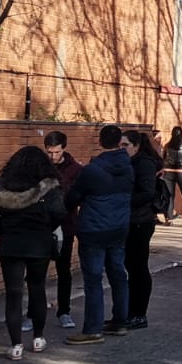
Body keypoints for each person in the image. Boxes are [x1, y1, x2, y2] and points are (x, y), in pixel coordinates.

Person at [0, 145, 64, 359]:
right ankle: (38, 337)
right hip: (39, 244)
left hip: (10, 244)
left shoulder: (1, 188)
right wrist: (45, 228)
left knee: (13, 293)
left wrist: (3, 231)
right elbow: (59, 213)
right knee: (37, 289)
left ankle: (16, 344)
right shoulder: (48, 188)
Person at [64, 124, 133, 344]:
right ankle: (120, 321)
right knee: (118, 274)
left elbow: (72, 197)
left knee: (93, 280)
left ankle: (93, 329)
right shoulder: (128, 167)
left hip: (94, 228)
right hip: (119, 226)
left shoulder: (92, 170)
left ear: (100, 141)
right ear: (120, 143)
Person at [44, 132, 84, 328]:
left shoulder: (75, 169)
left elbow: (76, 196)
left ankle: (64, 311)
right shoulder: (40, 166)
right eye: (49, 152)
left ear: (64, 149)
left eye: (56, 152)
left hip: (65, 224)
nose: (53, 156)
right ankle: (34, 313)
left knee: (63, 270)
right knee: (37, 271)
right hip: (42, 226)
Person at [124, 129, 162, 329]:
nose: (122, 149)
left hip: (141, 221)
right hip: (131, 220)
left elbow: (147, 193)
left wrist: (123, 201)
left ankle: (139, 314)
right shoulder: (132, 162)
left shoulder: (144, 163)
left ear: (136, 146)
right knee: (131, 267)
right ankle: (131, 311)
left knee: (138, 268)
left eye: (125, 145)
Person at [162, 126, 182, 225]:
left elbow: (163, 158)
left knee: (170, 196)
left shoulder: (167, 145)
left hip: (168, 171)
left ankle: (169, 219)